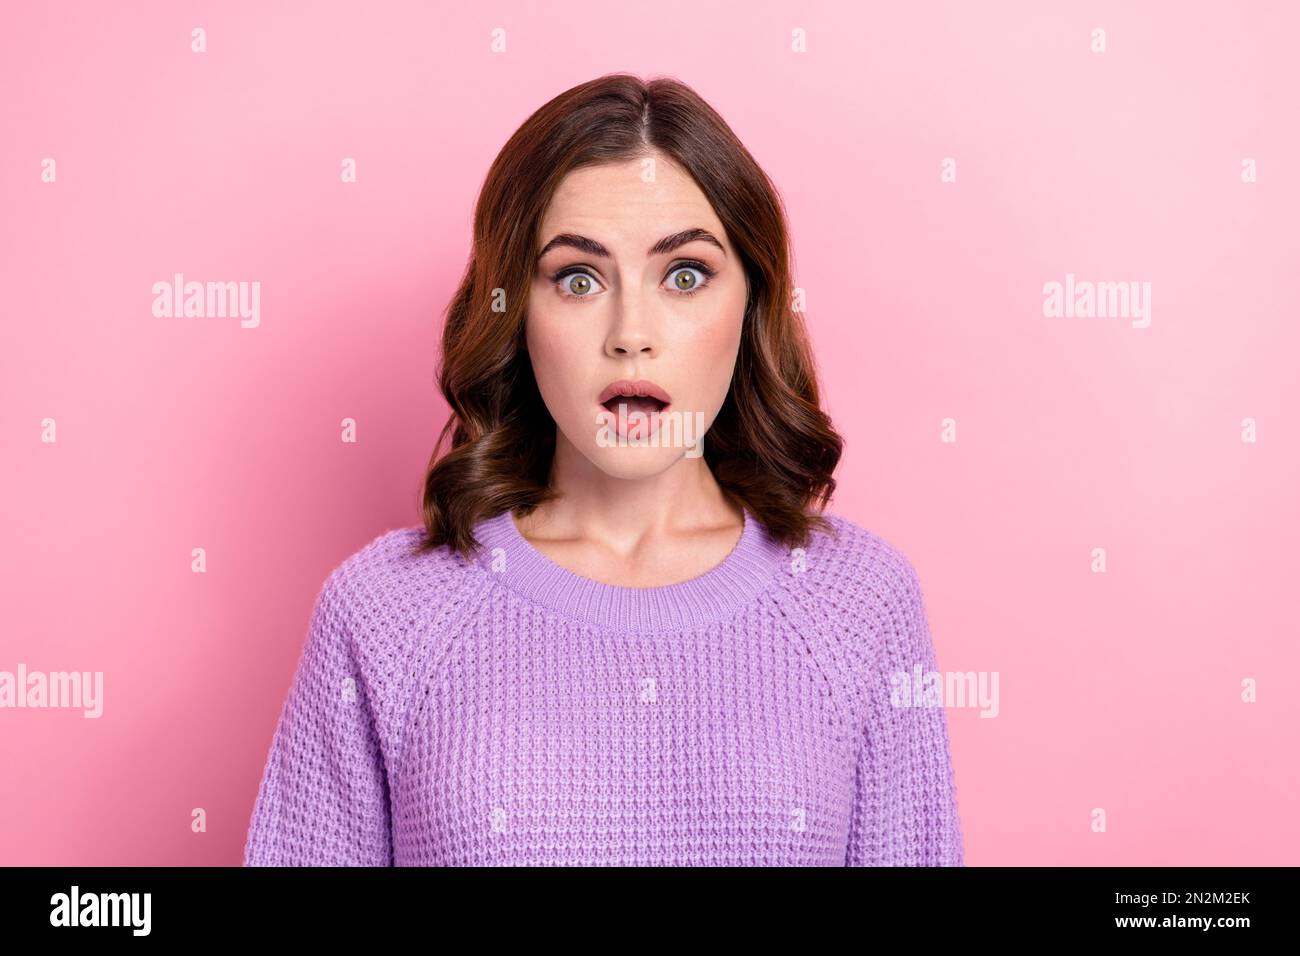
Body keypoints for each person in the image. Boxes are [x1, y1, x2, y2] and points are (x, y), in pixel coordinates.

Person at [243, 72, 965, 866]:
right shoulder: (381, 614)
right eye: (578, 278)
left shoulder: (862, 604)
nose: (631, 333)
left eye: (685, 274)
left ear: (752, 303)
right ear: (516, 311)